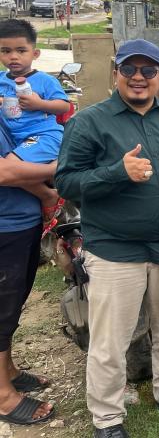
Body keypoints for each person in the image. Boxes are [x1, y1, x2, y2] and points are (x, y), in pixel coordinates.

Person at [56, 40, 159, 438]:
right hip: (116, 249)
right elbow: (67, 183)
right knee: (111, 339)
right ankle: (107, 417)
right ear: (116, 75)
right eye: (129, 69)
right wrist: (116, 173)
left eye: (148, 71)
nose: (138, 77)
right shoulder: (89, 122)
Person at [0, 124, 56, 426]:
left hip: (20, 221)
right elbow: (5, 173)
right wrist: (55, 172)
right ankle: (2, 396)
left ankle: (8, 371)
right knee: (2, 308)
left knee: (13, 304)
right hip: (4, 226)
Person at [0, 19, 69, 228]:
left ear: (35, 53)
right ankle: (48, 191)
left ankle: (49, 192)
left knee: (9, 169)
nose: (13, 57)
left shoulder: (45, 81)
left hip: (43, 136)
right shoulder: (1, 79)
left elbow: (64, 106)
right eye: (6, 51)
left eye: (21, 50)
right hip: (16, 139)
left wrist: (40, 104)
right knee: (11, 169)